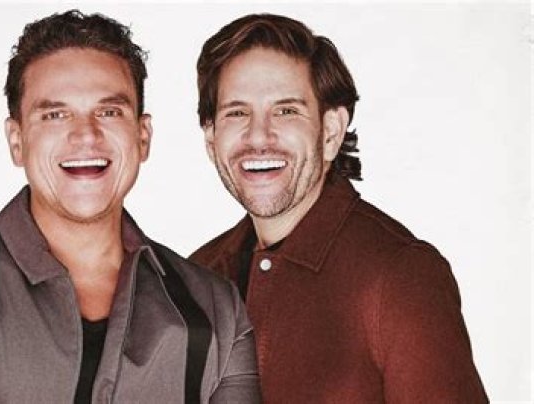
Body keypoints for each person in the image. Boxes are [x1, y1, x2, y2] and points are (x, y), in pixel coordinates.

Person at [0, 10, 259, 403]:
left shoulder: (218, 311)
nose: (85, 135)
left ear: (143, 137)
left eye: (109, 111)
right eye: (54, 114)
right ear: (17, 141)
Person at [190, 13, 488, 403]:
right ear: (211, 138)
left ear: (331, 132)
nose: (259, 136)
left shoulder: (400, 276)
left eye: (286, 111)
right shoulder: (196, 279)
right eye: (237, 112)